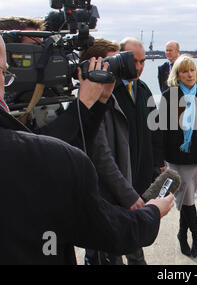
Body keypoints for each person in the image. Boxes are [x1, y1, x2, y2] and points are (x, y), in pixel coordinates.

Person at [0, 13, 174, 264]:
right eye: (9, 68)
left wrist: (96, 102)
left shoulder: (139, 92)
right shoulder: (29, 155)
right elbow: (104, 227)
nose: (9, 82)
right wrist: (151, 213)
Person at [0, 15, 111, 149]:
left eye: (44, 47)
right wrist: (83, 103)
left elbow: (77, 144)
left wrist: (100, 102)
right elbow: (35, 150)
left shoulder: (47, 92)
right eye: (34, 48)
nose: (43, 54)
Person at [79, 38, 145, 265]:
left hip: (119, 195)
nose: (119, 68)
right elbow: (101, 156)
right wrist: (129, 195)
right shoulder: (87, 105)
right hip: (107, 202)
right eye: (112, 62)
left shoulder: (107, 95)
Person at [159, 54, 197, 257]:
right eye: (185, 70)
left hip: (195, 157)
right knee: (187, 198)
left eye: (192, 69)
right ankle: (195, 235)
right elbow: (161, 130)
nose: (189, 74)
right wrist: (160, 159)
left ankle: (181, 232)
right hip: (175, 158)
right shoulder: (170, 96)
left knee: (187, 196)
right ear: (177, 75)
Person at [114, 37, 166, 265]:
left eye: (143, 61)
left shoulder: (143, 90)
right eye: (134, 61)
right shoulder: (108, 90)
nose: (139, 67)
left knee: (135, 242)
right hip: (114, 184)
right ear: (120, 58)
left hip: (141, 182)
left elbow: (154, 133)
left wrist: (158, 164)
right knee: (110, 246)